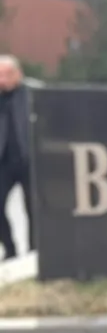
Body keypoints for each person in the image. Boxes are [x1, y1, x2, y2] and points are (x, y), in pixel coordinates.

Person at [0, 56, 33, 260]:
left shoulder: (32, 95)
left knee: (34, 208)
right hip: (4, 160)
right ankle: (10, 248)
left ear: (19, 74)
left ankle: (34, 250)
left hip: (29, 159)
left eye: (7, 75)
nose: (3, 80)